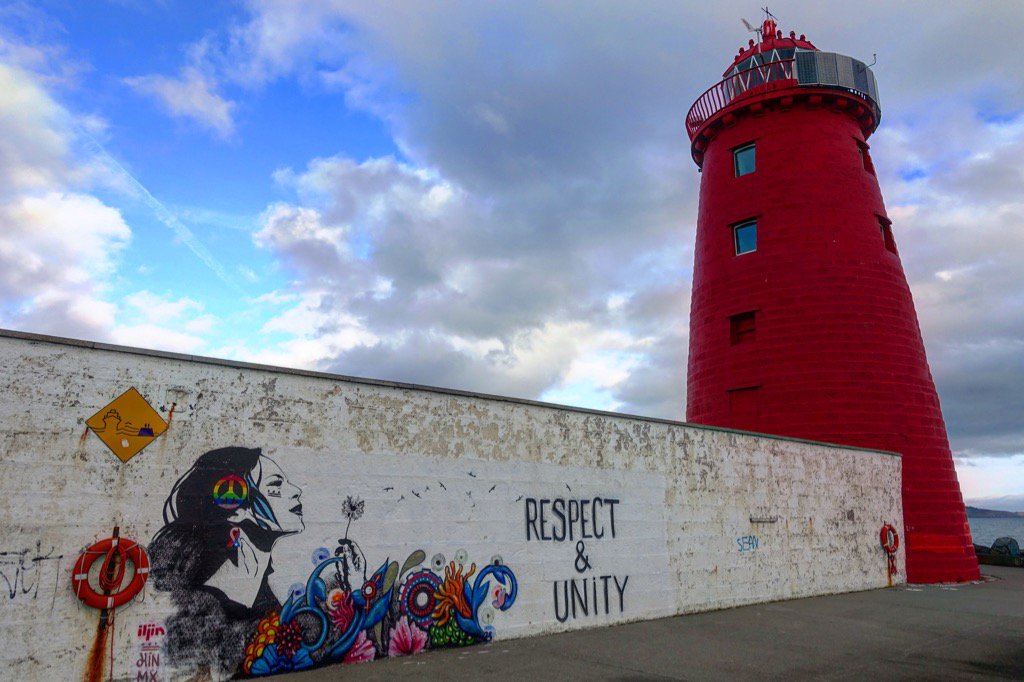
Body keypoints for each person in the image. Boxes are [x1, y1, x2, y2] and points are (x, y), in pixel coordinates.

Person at [149, 447, 303, 675]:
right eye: (275, 485)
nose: (296, 491)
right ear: (235, 512)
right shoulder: (203, 612)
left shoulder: (268, 605)